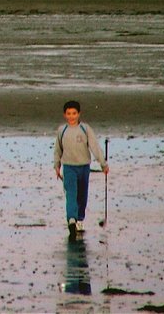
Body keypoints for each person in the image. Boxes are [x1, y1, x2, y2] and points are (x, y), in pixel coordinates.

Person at [53, 100, 108, 238]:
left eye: (74, 113)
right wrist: (57, 166)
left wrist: (103, 164)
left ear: (79, 114)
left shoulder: (85, 128)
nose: (71, 116)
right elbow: (58, 150)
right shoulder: (62, 130)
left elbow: (94, 147)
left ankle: (79, 220)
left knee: (82, 195)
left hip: (84, 167)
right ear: (65, 115)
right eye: (68, 114)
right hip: (69, 167)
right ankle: (71, 219)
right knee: (71, 193)